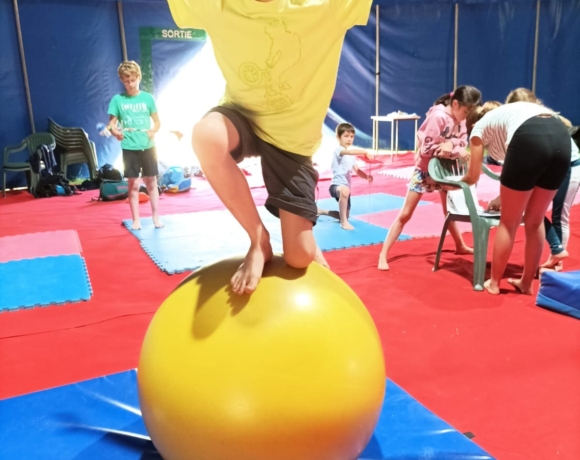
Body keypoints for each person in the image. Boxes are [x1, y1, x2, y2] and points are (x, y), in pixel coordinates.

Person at [167, 0, 374, 294]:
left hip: (292, 141)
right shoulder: (217, 5)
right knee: (206, 136)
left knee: (299, 257)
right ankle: (258, 239)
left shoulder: (326, 6)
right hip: (242, 118)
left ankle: (307, 245)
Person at [462, 101, 571, 295]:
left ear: (470, 126)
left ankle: (494, 283)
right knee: (535, 220)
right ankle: (527, 283)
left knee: (508, 222)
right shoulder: (508, 115)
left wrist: (452, 182)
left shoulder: (478, 129)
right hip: (561, 137)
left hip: (529, 137)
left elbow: (473, 176)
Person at [377, 86, 482, 271]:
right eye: (465, 112)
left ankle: (459, 245)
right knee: (405, 214)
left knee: (448, 211)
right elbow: (426, 149)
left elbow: (463, 140)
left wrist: (451, 145)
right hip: (425, 170)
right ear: (455, 104)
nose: (466, 117)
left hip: (443, 170)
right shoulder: (439, 116)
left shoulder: (462, 119)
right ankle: (383, 254)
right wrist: (451, 148)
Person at [502, 88, 580, 272]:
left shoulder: (545, 117)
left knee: (560, 215)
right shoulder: (528, 120)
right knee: (530, 209)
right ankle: (557, 250)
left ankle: (556, 259)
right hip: (547, 164)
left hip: (569, 166)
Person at [107, 61, 163, 230]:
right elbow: (111, 124)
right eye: (126, 81)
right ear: (122, 81)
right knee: (133, 184)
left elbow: (157, 122)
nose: (129, 84)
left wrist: (153, 130)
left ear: (138, 77)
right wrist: (115, 131)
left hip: (148, 145)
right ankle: (136, 220)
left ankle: (155, 217)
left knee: (151, 182)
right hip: (129, 147)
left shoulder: (148, 98)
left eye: (132, 80)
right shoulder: (118, 100)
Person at [318, 123, 374, 230]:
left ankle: (321, 211)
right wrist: (365, 151)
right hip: (336, 186)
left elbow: (357, 170)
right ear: (338, 137)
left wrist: (366, 176)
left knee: (345, 215)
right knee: (344, 190)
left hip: (346, 190)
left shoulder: (351, 157)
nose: (349, 139)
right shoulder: (339, 150)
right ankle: (344, 223)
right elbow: (351, 152)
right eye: (346, 136)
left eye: (352, 137)